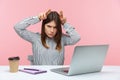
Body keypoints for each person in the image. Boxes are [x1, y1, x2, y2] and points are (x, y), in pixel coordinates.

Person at [14, 9, 80, 65]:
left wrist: (64, 24)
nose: (52, 31)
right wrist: (38, 18)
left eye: (55, 27)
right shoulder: (35, 38)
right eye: (49, 26)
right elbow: (17, 27)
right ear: (43, 26)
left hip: (57, 76)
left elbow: (76, 38)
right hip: (40, 76)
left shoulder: (62, 39)